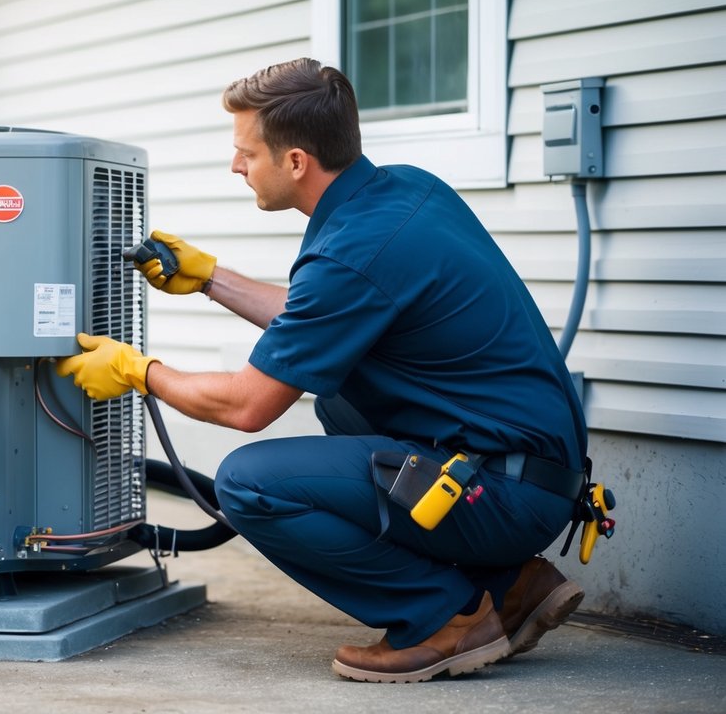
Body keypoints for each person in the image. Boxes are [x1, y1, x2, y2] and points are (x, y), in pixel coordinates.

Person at [56, 57, 589, 683]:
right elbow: (324, 317)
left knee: (250, 484)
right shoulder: (402, 193)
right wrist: (210, 280)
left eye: (246, 154)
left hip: (503, 491)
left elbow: (246, 406)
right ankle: (508, 584)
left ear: (297, 161)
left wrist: (137, 370)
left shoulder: (355, 251)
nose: (235, 166)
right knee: (342, 400)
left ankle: (445, 618)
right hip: (529, 471)